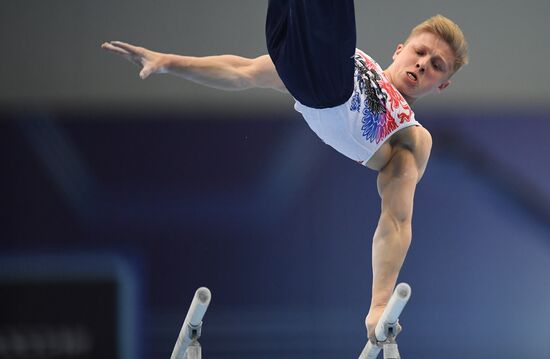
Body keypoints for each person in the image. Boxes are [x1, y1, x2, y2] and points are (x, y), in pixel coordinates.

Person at [102, 0, 468, 345]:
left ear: (443, 84)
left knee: (330, 44)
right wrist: (167, 61)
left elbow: (396, 220)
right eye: (420, 52)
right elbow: (242, 71)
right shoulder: (357, 59)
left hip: (328, 83)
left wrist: (378, 304)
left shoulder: (411, 136)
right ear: (399, 49)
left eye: (437, 65)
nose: (423, 64)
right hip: (297, 56)